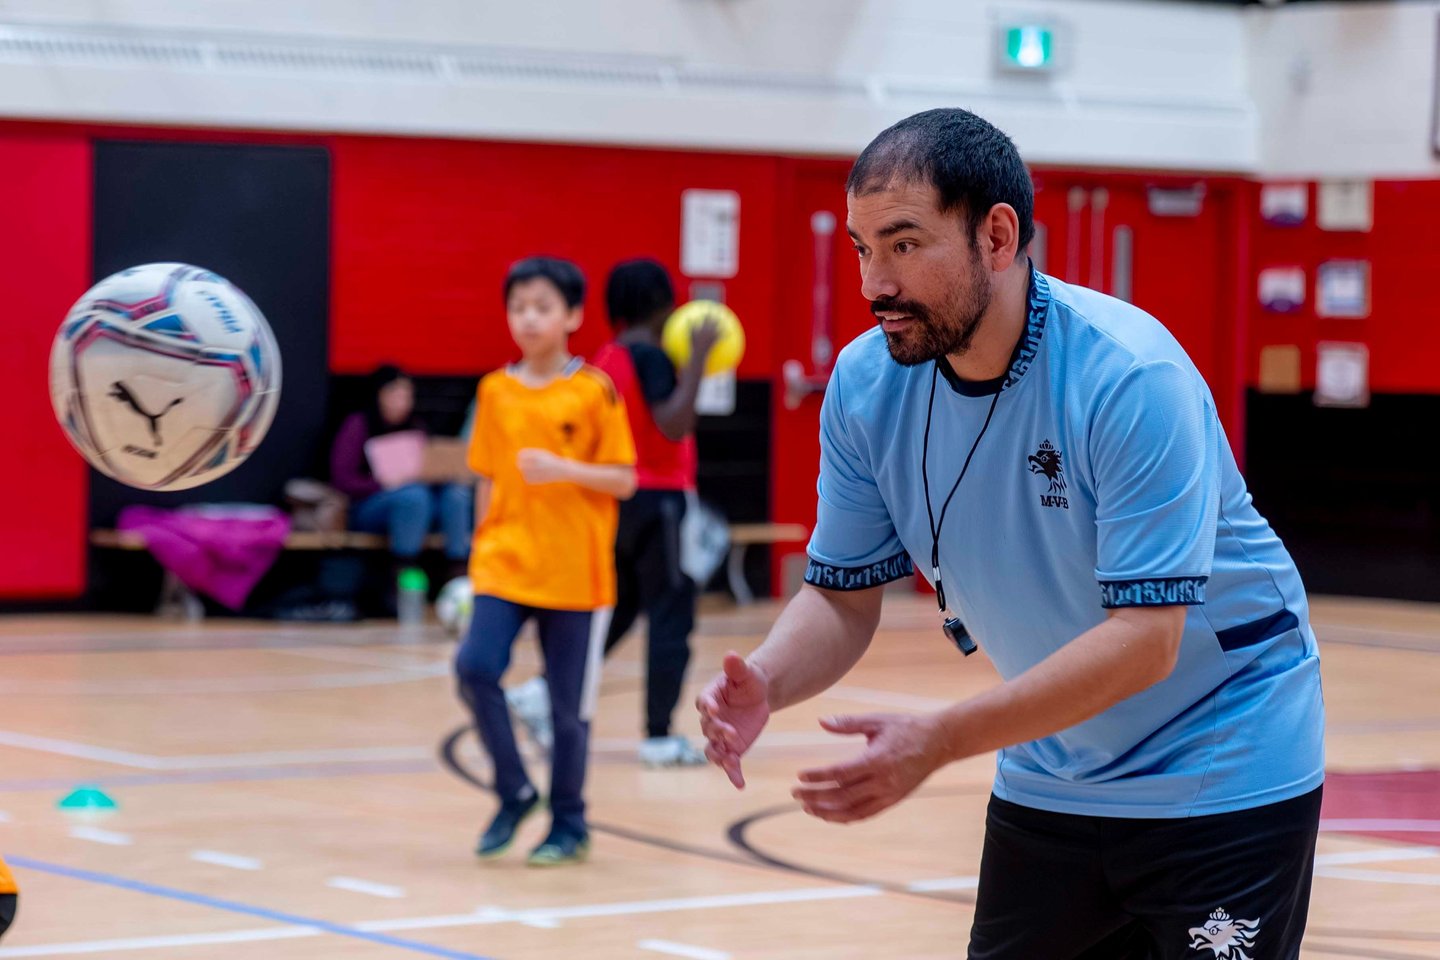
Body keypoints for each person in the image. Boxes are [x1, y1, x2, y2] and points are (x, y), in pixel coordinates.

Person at [698, 108, 1324, 958]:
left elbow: (1145, 643)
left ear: (997, 235)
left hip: (1225, 761)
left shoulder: (1129, 377)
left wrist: (942, 737)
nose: (874, 282)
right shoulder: (862, 384)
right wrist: (766, 679)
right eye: (861, 247)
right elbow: (841, 599)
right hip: (1053, 766)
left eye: (905, 244)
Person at [454, 256, 636, 867]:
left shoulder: (593, 390)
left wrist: (563, 470)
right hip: (504, 564)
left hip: (575, 572)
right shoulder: (493, 390)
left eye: (542, 306)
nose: (529, 318)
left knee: (567, 710)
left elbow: (623, 479)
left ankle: (569, 821)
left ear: (573, 316)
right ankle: (513, 790)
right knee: (475, 668)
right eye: (519, 307)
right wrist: (476, 556)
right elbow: (485, 478)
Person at [507, 259, 717, 767]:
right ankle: (659, 735)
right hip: (659, 499)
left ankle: (541, 690)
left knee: (620, 608)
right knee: (672, 613)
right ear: (664, 305)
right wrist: (697, 361)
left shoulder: (603, 358)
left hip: (611, 502)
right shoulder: (653, 356)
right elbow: (672, 423)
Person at [329, 365, 473, 586]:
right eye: (395, 394)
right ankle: (401, 570)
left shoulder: (416, 426)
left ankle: (459, 568)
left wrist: (437, 472)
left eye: (407, 395)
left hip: (421, 505)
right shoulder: (359, 425)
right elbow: (342, 479)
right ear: (379, 395)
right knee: (413, 496)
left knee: (455, 493)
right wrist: (382, 484)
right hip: (372, 507)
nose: (402, 401)